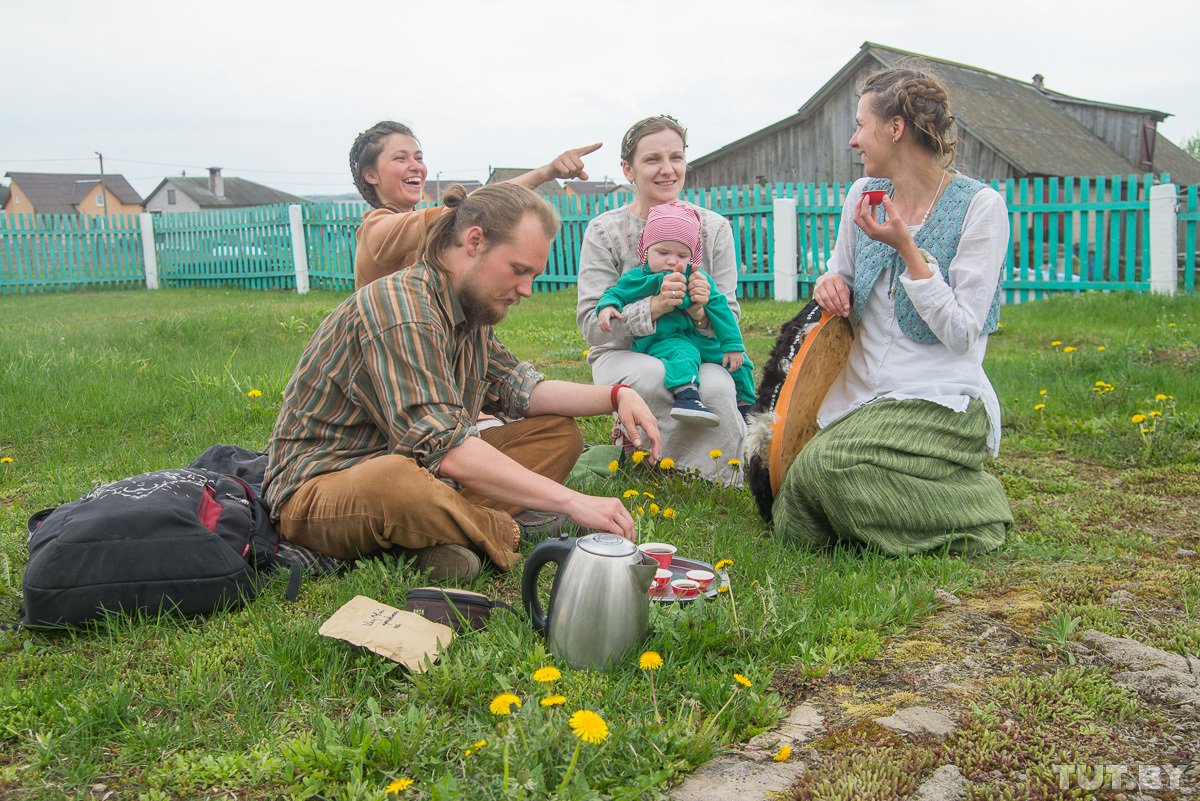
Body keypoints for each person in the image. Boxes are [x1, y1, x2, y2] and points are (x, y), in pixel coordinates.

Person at [263, 183, 662, 581]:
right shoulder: (405, 310)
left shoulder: (468, 309)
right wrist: (573, 503)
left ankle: (436, 537)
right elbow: (446, 449)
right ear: (474, 241)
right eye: (519, 270)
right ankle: (509, 530)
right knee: (396, 480)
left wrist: (616, 394)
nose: (526, 289)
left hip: (428, 476)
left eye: (533, 275)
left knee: (559, 433)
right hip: (322, 492)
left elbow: (523, 390)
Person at [771, 66, 1013, 555]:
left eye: (861, 126)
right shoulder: (862, 196)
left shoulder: (981, 207)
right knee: (794, 510)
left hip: (940, 397)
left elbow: (963, 332)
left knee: (827, 469)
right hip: (860, 391)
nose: (854, 140)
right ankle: (897, 513)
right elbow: (839, 273)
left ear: (895, 128)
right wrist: (829, 282)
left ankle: (978, 508)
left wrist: (909, 250)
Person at [576, 115, 744, 482]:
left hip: (692, 346)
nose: (667, 170)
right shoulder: (605, 231)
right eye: (652, 159)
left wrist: (700, 312)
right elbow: (592, 327)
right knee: (653, 375)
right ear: (628, 169)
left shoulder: (713, 228)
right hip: (623, 351)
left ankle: (715, 476)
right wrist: (653, 307)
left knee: (715, 386)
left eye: (676, 157)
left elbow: (729, 312)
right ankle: (646, 462)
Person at [350, 120, 600, 289]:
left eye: (418, 157)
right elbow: (475, 204)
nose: (415, 166)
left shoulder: (426, 227)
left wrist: (548, 171)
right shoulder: (376, 229)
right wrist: (545, 172)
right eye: (400, 158)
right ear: (371, 176)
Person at [595, 201, 755, 426]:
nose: (672, 261)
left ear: (692, 257)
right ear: (646, 251)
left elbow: (720, 308)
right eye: (662, 252)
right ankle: (687, 397)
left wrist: (732, 345)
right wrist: (608, 306)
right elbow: (617, 292)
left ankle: (747, 406)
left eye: (682, 255)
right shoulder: (639, 278)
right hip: (660, 338)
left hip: (696, 336)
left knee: (739, 362)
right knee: (683, 353)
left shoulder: (696, 278)